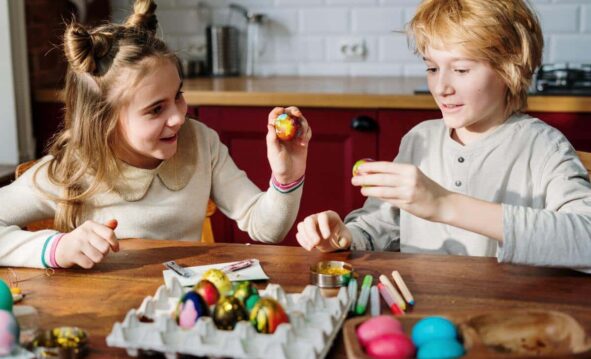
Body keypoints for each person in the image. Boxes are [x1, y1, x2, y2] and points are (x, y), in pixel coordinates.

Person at [0, 0, 311, 269]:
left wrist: (287, 177)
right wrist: (55, 249)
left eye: (178, 95)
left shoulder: (201, 143)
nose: (178, 116)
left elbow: (266, 229)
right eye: (155, 109)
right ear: (104, 122)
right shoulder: (72, 170)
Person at [295, 0, 591, 271]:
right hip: (422, 312)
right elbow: (383, 224)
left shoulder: (542, 147)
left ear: (509, 68)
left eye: (461, 70)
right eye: (432, 68)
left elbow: (586, 239)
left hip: (508, 321)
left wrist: (444, 204)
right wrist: (346, 235)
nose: (441, 87)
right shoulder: (419, 139)